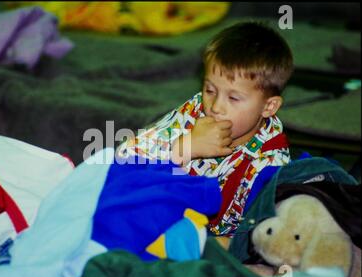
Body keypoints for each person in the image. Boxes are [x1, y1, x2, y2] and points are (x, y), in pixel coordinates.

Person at [117, 21, 294, 237]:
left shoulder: (270, 164)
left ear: (269, 106)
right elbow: (124, 157)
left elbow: (256, 238)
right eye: (210, 90)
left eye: (233, 98)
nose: (215, 107)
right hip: (159, 215)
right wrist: (183, 148)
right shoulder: (196, 110)